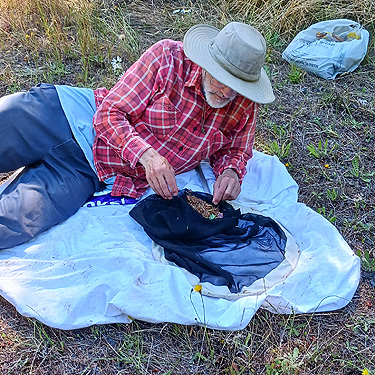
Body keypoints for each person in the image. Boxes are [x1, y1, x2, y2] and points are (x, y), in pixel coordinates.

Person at [0, 21, 274, 249]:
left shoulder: (243, 102)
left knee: (13, 222)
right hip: (65, 114)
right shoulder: (167, 58)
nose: (226, 93)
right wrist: (147, 155)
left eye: (235, 87)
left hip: (92, 169)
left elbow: (236, 150)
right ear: (207, 63)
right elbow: (108, 114)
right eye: (220, 80)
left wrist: (230, 173)